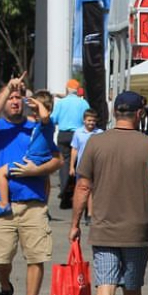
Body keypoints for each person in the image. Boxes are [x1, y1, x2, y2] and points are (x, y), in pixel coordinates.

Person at [70, 90, 148, 295]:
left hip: (104, 228)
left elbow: (83, 186)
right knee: (132, 288)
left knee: (105, 285)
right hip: (138, 229)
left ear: (114, 113)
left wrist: (74, 224)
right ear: (139, 114)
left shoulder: (96, 144)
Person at [0, 76, 62, 295]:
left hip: (33, 203)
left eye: (19, 98)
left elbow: (57, 160)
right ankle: (5, 288)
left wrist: (34, 172)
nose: (15, 101)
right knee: (0, 259)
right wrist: (7, 88)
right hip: (2, 204)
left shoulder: (36, 127)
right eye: (11, 99)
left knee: (35, 257)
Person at [0, 91, 53, 218]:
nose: (33, 114)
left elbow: (45, 116)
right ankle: (45, 203)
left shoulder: (47, 125)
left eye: (35, 111)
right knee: (46, 179)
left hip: (33, 159)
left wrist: (39, 105)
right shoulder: (37, 126)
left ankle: (4, 204)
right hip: (37, 159)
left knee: (1, 172)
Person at [52, 78, 91, 208]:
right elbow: (88, 118)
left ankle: (64, 190)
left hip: (63, 134)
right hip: (79, 134)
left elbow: (54, 119)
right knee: (79, 162)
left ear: (67, 89)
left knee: (64, 163)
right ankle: (77, 190)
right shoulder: (83, 103)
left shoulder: (61, 103)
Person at [69, 108, 103, 225]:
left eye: (93, 121)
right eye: (89, 120)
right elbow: (74, 149)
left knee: (92, 190)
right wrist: (71, 166)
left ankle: (90, 214)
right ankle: (78, 213)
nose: (91, 123)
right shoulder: (78, 133)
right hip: (81, 166)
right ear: (84, 120)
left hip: (95, 166)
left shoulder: (100, 133)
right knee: (82, 191)